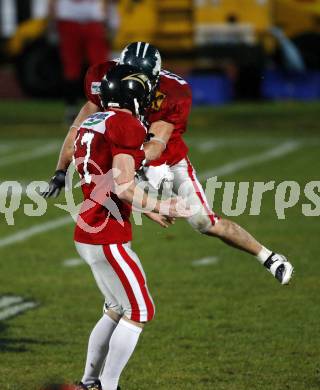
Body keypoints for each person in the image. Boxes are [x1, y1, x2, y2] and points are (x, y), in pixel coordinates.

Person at [43, 42, 293, 286]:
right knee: (109, 213)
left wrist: (132, 165)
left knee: (204, 222)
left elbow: (155, 146)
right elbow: (78, 127)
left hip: (165, 161)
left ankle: (268, 257)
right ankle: (118, 293)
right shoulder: (103, 79)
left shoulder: (173, 93)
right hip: (124, 156)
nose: (133, 83)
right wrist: (60, 170)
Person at [71, 64, 189, 390]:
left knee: (115, 308)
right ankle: (107, 387)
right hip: (106, 232)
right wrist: (160, 204)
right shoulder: (125, 123)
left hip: (90, 226)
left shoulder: (94, 121)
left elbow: (108, 178)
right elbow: (123, 186)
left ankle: (88, 383)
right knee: (139, 310)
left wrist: (146, 211)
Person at [48, 0, 114, 122]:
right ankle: (72, 108)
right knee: (72, 68)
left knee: (99, 68)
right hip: (70, 19)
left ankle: (98, 105)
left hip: (89, 19)